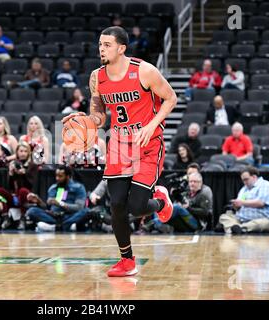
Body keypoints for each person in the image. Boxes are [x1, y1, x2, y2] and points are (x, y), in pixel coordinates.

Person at [62, 26, 177, 277]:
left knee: (136, 206)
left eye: (107, 45)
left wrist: (151, 125)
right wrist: (86, 121)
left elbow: (171, 98)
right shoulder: (97, 77)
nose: (101, 49)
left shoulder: (144, 70)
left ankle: (161, 201)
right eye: (100, 44)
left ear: (121, 48)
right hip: (118, 146)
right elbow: (100, 117)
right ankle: (127, 260)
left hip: (148, 143)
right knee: (116, 204)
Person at [26, 165, 89, 232]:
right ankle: (64, 226)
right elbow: (47, 207)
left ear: (68, 177)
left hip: (70, 215)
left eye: (60, 176)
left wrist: (60, 204)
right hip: (53, 216)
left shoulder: (78, 187)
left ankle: (56, 226)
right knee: (32, 211)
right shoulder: (53, 188)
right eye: (56, 176)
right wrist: (38, 201)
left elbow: (79, 207)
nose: (57, 178)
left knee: (86, 211)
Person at [218, 167, 269, 234]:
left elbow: (261, 203)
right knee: (224, 217)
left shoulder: (265, 185)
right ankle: (239, 229)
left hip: (262, 219)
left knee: (263, 224)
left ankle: (235, 229)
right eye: (243, 180)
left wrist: (242, 203)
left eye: (246, 179)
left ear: (254, 177)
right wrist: (236, 206)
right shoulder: (244, 189)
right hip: (241, 219)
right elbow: (239, 206)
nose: (244, 182)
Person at [0, 141, 39, 230]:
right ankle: (6, 218)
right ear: (17, 152)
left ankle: (22, 219)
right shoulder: (13, 164)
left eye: (25, 151)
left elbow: (32, 185)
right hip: (15, 196)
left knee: (23, 190)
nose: (23, 153)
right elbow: (9, 187)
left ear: (29, 153)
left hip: (27, 197)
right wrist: (11, 174)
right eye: (21, 151)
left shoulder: (33, 165)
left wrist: (24, 174)